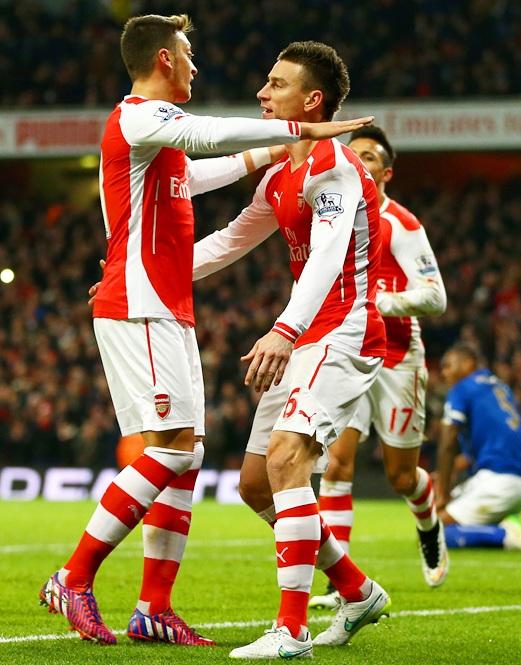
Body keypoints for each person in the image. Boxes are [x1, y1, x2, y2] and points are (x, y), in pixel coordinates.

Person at [38, 14, 373, 647]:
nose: (198, 67)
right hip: (141, 304)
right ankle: (74, 575)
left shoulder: (171, 152)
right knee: (168, 449)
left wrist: (277, 149)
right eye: (188, 56)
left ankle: (154, 607)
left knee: (187, 454)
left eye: (275, 85)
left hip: (166, 302)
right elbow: (205, 137)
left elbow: (198, 178)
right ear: (164, 59)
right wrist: (295, 131)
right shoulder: (140, 117)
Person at [193, 41, 390, 660]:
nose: (262, 92)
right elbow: (228, 241)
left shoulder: (334, 166)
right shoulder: (283, 171)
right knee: (256, 485)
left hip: (343, 330)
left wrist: (281, 329)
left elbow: (330, 254)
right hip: (305, 333)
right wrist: (138, 274)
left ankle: (292, 630)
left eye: (276, 84)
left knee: (286, 463)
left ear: (312, 101)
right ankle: (357, 592)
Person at [309, 125, 448, 611]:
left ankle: (428, 522)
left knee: (400, 477)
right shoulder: (334, 218)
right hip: (348, 351)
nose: (358, 161)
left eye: (369, 157)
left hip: (395, 356)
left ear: (386, 172)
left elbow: (435, 296)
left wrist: (378, 302)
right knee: (336, 465)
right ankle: (339, 580)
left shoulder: (402, 224)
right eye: (354, 154)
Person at [435, 343, 521, 553]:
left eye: (448, 366)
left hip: (498, 482)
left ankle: (505, 535)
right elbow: (488, 447)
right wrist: (453, 468)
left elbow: (447, 442)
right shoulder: (499, 387)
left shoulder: (463, 388)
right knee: (445, 518)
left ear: (468, 363)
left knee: (433, 534)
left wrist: (442, 492)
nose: (444, 373)